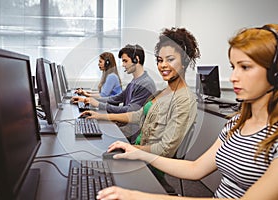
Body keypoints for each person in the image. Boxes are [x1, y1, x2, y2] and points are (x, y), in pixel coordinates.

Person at [96, 24, 278, 200]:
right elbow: (196, 168)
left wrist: (139, 196)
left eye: (245, 67)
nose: (232, 78)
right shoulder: (236, 123)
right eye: (233, 67)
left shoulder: (273, 138)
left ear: (275, 73)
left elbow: (166, 149)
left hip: (156, 165)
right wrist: (136, 151)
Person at [82, 27, 200, 158]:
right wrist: (100, 116)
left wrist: (129, 147)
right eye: (160, 60)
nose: (163, 65)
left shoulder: (184, 100)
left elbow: (165, 149)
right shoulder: (163, 92)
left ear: (184, 62)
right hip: (138, 153)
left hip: (150, 165)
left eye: (170, 59)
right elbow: (137, 115)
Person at [72, 44, 157, 142]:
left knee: (97, 135)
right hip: (126, 127)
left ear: (136, 59)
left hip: (132, 134)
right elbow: (115, 98)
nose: (123, 65)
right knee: (94, 126)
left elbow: (129, 111)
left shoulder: (146, 84)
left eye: (125, 61)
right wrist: (90, 101)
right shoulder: (135, 81)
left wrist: (99, 106)